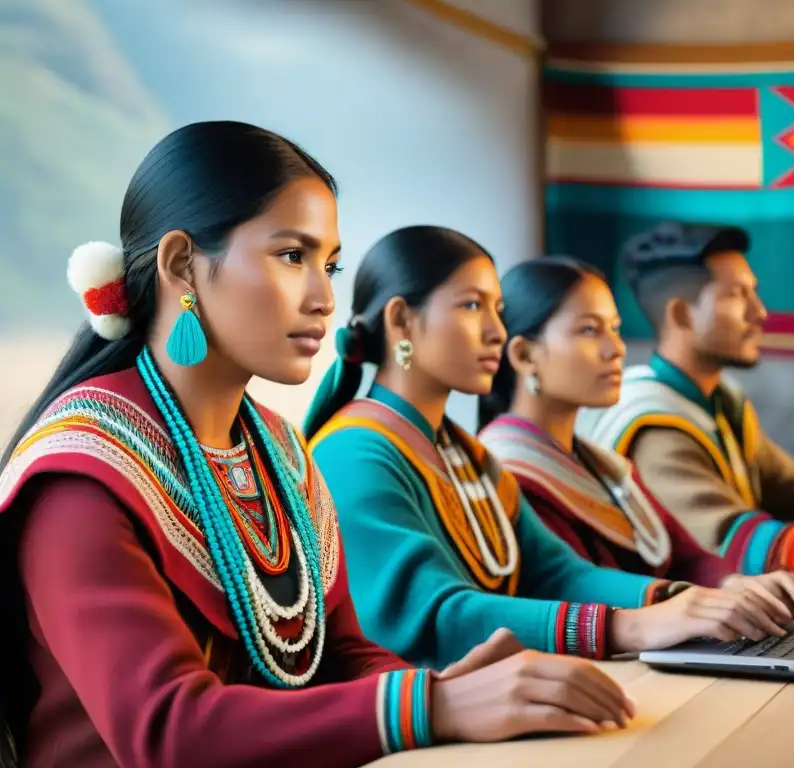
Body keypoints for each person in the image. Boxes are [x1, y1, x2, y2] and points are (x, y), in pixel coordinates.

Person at [0, 122, 638, 768]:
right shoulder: (82, 474)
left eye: (329, 263)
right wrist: (436, 707)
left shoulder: (277, 449)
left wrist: (446, 691)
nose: (324, 297)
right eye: (291, 256)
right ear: (181, 265)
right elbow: (169, 731)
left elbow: (341, 655)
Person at [304, 226, 794, 676]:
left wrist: (678, 599)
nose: (497, 333)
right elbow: (439, 615)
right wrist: (632, 627)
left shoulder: (467, 457)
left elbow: (556, 571)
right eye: (471, 305)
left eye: (498, 311)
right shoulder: (356, 453)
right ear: (403, 323)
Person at [476, 256, 794, 622]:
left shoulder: (607, 467)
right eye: (590, 330)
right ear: (524, 354)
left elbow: (688, 557)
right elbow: (574, 591)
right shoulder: (509, 473)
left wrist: (735, 584)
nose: (617, 349)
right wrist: (696, 599)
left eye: (615, 328)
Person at [574, 223, 794, 590]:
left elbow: (789, 488)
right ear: (682, 315)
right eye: (736, 295)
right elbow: (718, 537)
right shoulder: (651, 422)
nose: (759, 312)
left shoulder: (720, 399)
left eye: (754, 293)